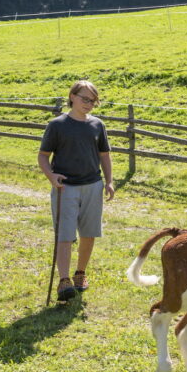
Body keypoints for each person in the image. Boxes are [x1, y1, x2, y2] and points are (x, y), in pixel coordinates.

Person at [38, 80, 115, 301]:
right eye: (84, 98)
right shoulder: (57, 125)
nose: (88, 104)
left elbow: (104, 156)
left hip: (93, 185)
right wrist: (51, 176)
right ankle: (64, 281)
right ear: (72, 96)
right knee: (65, 234)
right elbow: (43, 156)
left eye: (93, 101)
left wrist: (109, 181)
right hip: (65, 187)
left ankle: (80, 273)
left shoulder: (97, 125)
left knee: (89, 233)